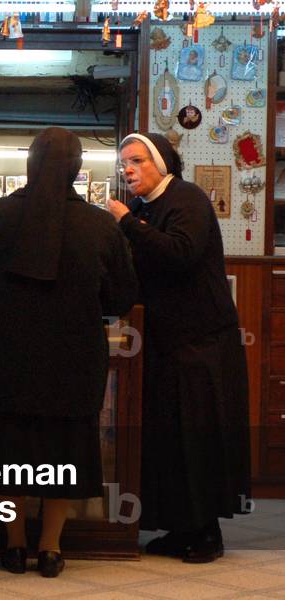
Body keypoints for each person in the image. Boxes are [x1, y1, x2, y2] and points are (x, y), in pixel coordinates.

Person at [0, 127, 137, 577]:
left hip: (2, 360)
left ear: (30, 164)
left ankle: (14, 543)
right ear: (77, 169)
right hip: (72, 363)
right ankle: (51, 547)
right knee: (65, 452)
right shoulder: (99, 226)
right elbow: (121, 298)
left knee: (7, 452)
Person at [106, 132, 251, 563]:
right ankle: (179, 526)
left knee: (198, 436)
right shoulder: (143, 207)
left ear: (161, 163)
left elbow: (181, 254)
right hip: (165, 341)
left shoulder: (186, 198)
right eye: (124, 164)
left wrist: (126, 224)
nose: (127, 170)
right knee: (168, 439)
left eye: (135, 161)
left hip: (200, 341)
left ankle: (207, 533)